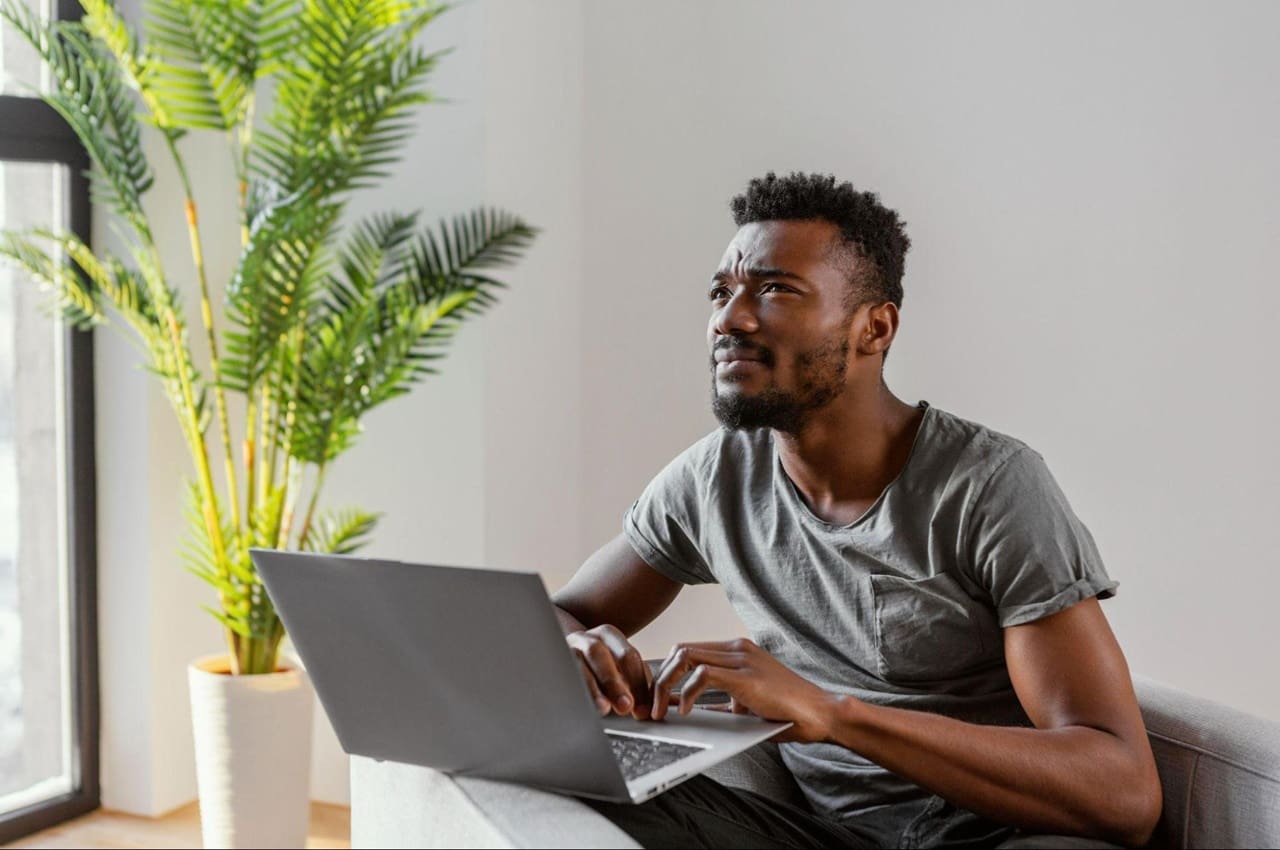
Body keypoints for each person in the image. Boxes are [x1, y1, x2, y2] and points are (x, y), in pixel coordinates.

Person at [550, 172, 1161, 850]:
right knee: (560, 774)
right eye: (722, 292)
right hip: (824, 838)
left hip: (998, 837)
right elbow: (562, 612)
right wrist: (577, 648)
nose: (730, 318)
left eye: (776, 289)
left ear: (874, 328)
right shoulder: (713, 478)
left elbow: (1125, 792)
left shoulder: (990, 486)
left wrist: (831, 714)